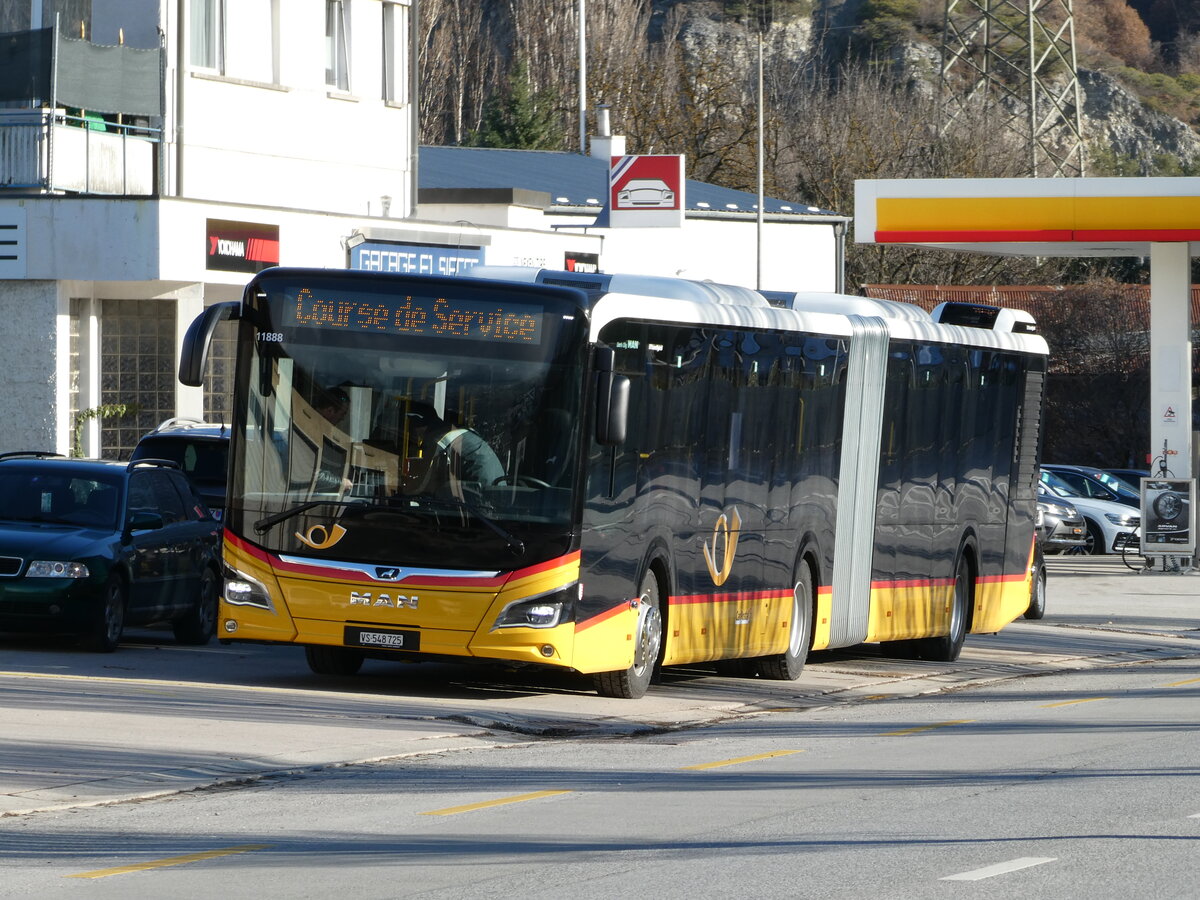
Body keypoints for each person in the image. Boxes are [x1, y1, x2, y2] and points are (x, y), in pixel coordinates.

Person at [405, 401, 504, 492]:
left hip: (482, 494)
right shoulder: (453, 432)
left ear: (419, 425)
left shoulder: (439, 439)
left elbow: (424, 483)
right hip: (494, 489)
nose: (416, 435)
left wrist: (405, 491)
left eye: (413, 429)